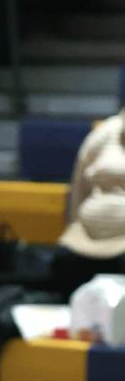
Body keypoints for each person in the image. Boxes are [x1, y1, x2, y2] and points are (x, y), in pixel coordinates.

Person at [50, 110, 125, 300]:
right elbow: (79, 187)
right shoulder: (105, 132)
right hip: (86, 237)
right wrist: (75, 227)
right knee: (64, 260)